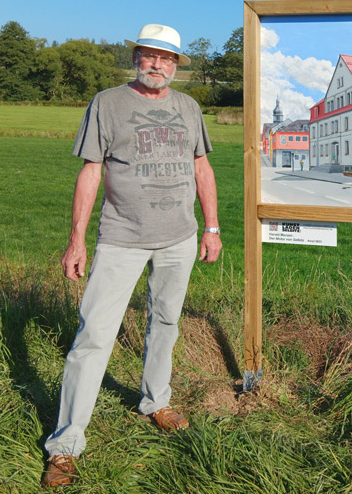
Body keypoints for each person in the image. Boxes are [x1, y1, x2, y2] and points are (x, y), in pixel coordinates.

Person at [41, 24, 222, 488]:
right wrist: (76, 239)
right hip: (121, 238)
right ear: (137, 58)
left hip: (179, 238)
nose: (157, 65)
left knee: (164, 322)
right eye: (149, 56)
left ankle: (155, 401)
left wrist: (212, 227)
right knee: (94, 337)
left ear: (177, 65)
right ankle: (65, 445)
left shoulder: (188, 107)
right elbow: (91, 170)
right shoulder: (108, 103)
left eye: (167, 58)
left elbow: (201, 166)